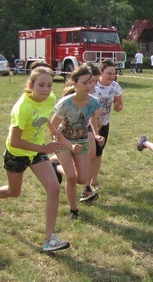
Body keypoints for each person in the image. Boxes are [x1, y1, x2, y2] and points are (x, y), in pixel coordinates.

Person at [0, 66, 69, 252]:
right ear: (31, 85)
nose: (46, 90)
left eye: (49, 85)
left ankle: (49, 239)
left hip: (37, 151)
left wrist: (52, 131)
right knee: (14, 192)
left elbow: (45, 117)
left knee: (54, 188)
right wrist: (44, 148)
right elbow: (15, 140)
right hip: (16, 152)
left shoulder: (51, 98)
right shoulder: (22, 107)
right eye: (41, 85)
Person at [51, 65, 103, 219]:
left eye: (91, 82)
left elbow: (93, 119)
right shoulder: (65, 103)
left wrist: (97, 133)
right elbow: (53, 127)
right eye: (85, 82)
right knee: (71, 178)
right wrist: (69, 145)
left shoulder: (94, 102)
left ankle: (55, 165)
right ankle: (74, 211)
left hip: (82, 141)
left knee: (81, 179)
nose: (89, 86)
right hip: (62, 140)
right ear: (74, 83)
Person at [80, 59, 123, 202]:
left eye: (114, 73)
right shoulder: (91, 84)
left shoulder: (115, 87)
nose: (112, 76)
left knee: (98, 153)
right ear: (101, 74)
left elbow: (120, 105)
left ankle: (93, 180)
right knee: (89, 154)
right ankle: (85, 184)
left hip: (103, 123)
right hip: (88, 124)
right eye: (109, 73)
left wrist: (118, 106)